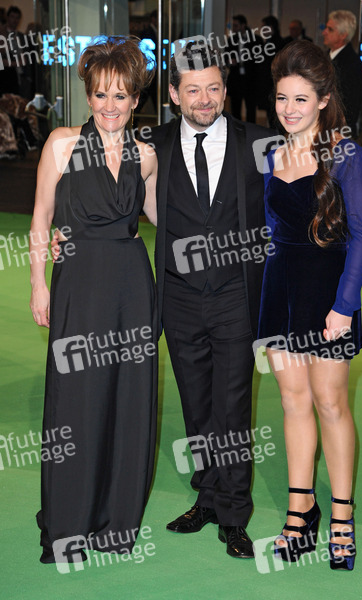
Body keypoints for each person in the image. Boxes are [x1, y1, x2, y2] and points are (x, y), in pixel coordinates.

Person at [29, 36, 158, 564]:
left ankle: (113, 523)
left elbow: (163, 218)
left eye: (121, 96)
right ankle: (69, 524)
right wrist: (38, 283)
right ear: (88, 96)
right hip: (78, 286)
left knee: (127, 402)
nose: (110, 106)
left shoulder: (146, 155)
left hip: (132, 287)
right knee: (76, 402)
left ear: (135, 99)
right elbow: (41, 217)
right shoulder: (61, 144)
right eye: (101, 94)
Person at [146, 42, 276, 558]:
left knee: (232, 406)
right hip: (178, 296)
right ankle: (206, 496)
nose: (205, 99)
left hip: (235, 297)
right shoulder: (152, 144)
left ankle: (234, 513)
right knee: (196, 406)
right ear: (174, 94)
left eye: (214, 88)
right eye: (193, 90)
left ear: (225, 89)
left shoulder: (259, 142)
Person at [257, 40, 362, 570]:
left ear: (324, 100)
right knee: (292, 402)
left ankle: (342, 515)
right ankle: (300, 510)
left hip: (329, 293)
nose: (289, 109)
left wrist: (344, 305)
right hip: (279, 290)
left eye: (301, 99)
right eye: (282, 98)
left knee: (331, 403)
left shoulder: (346, 154)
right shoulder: (269, 153)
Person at [322, 10, 362, 138]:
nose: (324, 32)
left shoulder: (353, 65)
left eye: (330, 29)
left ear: (343, 35)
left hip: (337, 135)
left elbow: (350, 109)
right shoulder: (323, 58)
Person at [226, 14, 263, 123]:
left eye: (236, 25)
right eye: (233, 25)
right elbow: (226, 57)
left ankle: (251, 129)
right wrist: (229, 62)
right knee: (235, 108)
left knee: (251, 108)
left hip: (251, 79)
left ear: (243, 25)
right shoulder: (231, 40)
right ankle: (236, 129)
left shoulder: (256, 40)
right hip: (236, 78)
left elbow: (260, 60)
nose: (234, 28)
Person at [0, 5, 23, 96]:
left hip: (20, 78)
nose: (15, 20)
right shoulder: (2, 34)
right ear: (7, 18)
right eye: (12, 17)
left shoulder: (22, 37)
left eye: (17, 18)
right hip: (5, 78)